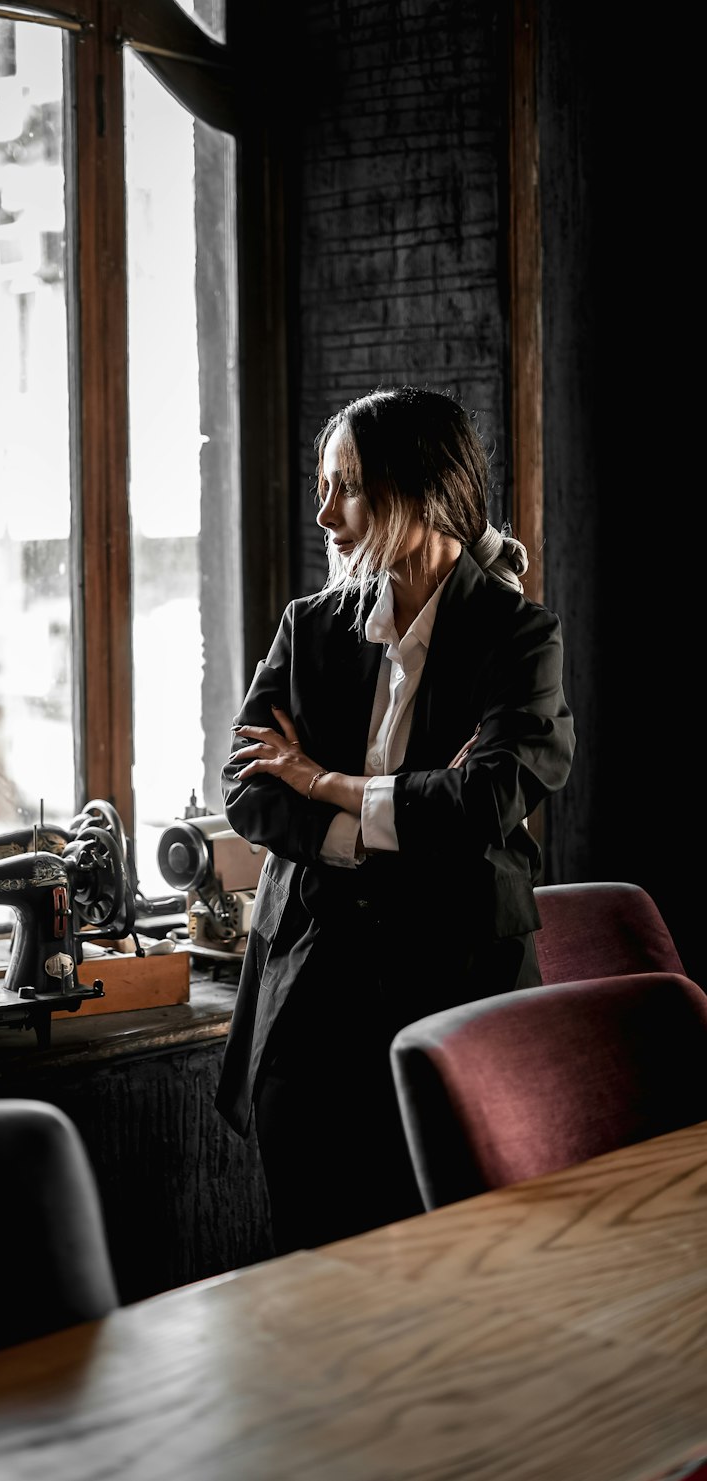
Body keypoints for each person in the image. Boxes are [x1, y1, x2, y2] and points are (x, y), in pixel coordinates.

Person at [215, 384, 575, 1254]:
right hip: (309, 1008)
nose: (323, 510)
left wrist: (323, 780)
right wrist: (382, 828)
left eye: (347, 487)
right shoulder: (310, 629)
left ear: (419, 493)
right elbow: (247, 788)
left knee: (461, 1263)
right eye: (320, 484)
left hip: (460, 993)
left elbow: (488, 798)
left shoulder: (518, 639)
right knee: (316, 1269)